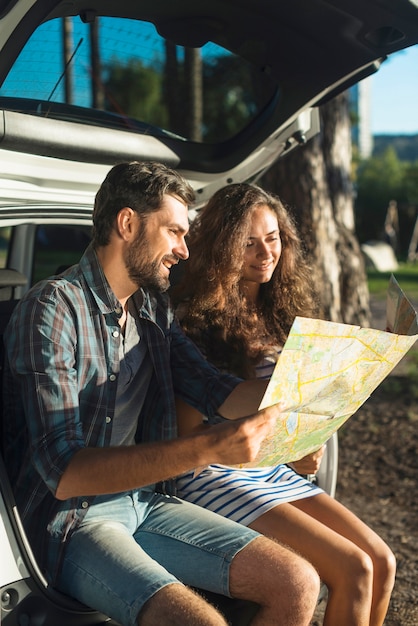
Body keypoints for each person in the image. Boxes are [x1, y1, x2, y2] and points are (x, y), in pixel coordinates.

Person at [2, 162, 321, 626]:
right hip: (72, 522)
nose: (184, 250)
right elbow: (63, 471)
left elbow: (219, 391)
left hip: (145, 503)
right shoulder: (52, 310)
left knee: (297, 582)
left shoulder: (152, 309)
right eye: (174, 232)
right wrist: (210, 446)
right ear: (128, 224)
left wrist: (332, 380)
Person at [172, 182, 397, 626]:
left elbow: (291, 410)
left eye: (272, 238)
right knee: (353, 568)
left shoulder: (281, 309)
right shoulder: (193, 319)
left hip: (272, 470)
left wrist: (303, 447)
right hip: (216, 475)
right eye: (249, 242)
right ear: (221, 246)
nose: (265, 252)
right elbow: (187, 438)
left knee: (381, 562)